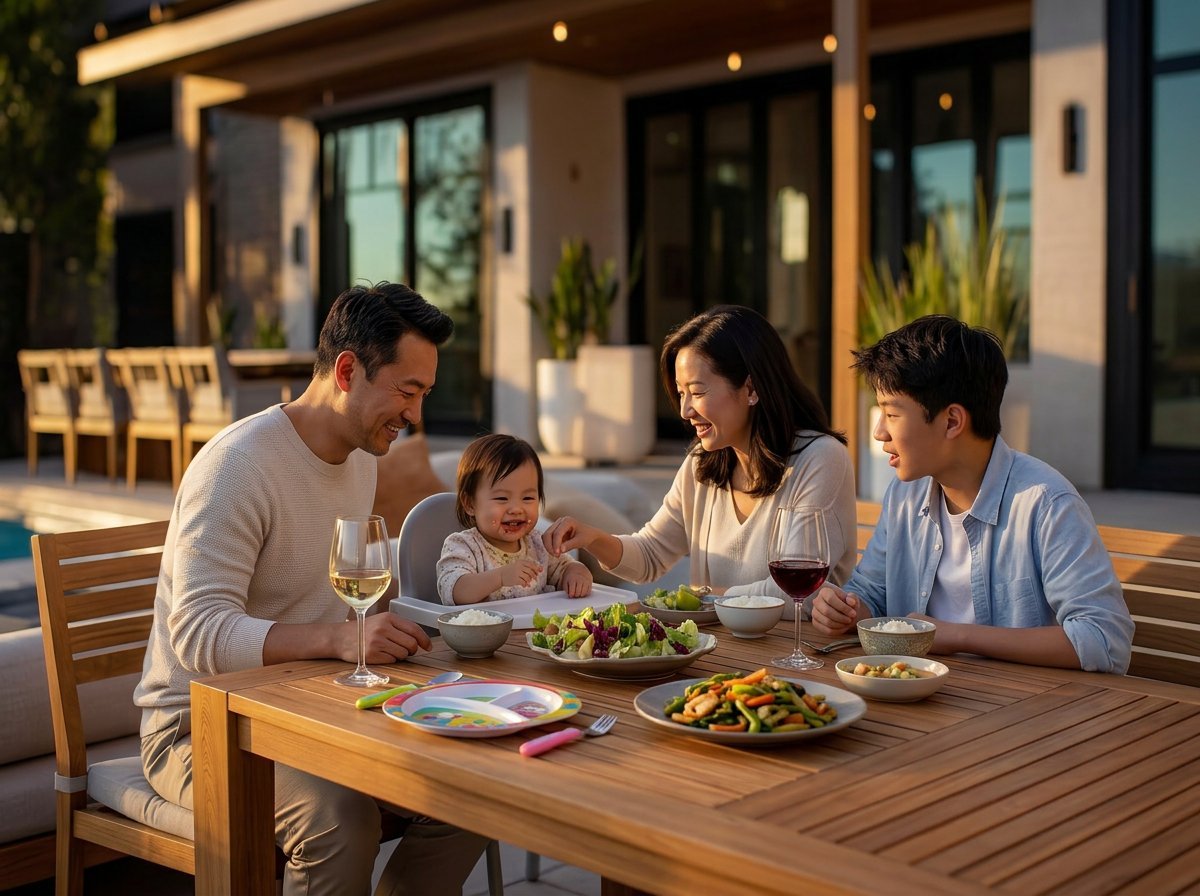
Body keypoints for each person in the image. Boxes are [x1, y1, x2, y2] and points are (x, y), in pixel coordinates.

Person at [135, 282, 489, 895]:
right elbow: (197, 635)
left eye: (423, 394)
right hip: (201, 727)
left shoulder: (361, 455)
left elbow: (358, 591)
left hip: (315, 704)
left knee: (478, 784)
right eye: (408, 391)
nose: (415, 415)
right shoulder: (238, 466)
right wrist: (340, 636)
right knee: (339, 820)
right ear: (348, 371)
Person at [810, 315, 1134, 673]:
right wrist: (843, 609)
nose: (879, 432)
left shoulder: (1045, 503)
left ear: (951, 421)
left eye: (891, 413)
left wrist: (956, 637)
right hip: (918, 698)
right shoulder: (905, 495)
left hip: (1022, 710)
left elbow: (1104, 640)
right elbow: (871, 593)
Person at [543, 304, 857, 609]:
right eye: (681, 393)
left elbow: (797, 592)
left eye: (697, 391)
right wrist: (591, 538)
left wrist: (706, 596)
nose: (684, 410)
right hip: (716, 652)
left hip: (800, 654)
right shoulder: (703, 463)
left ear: (751, 388)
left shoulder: (820, 459)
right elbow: (651, 555)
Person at [437, 433, 592, 604]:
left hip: (535, 630)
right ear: (470, 504)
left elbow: (567, 567)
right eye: (502, 498)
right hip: (486, 629)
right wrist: (500, 577)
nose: (517, 509)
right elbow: (455, 592)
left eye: (528, 498)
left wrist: (576, 575)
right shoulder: (464, 546)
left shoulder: (538, 546)